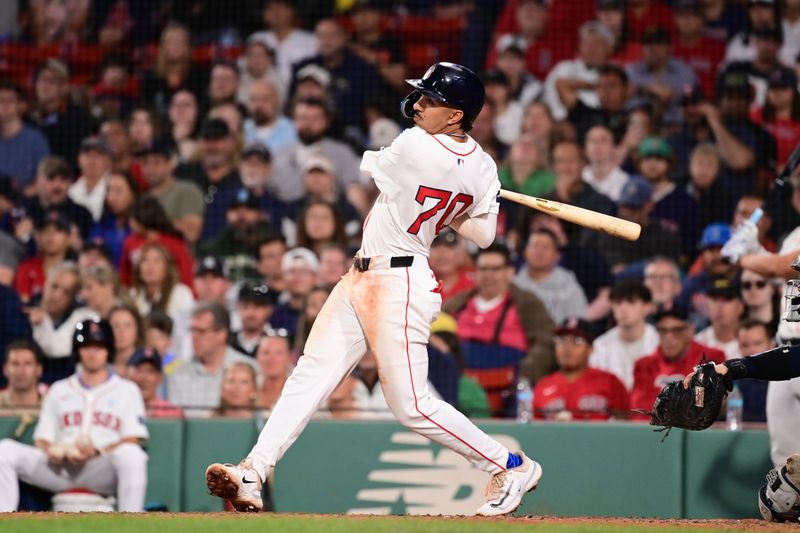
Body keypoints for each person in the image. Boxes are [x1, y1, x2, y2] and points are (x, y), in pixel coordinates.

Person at [205, 63, 543, 516]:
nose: (418, 104)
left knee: (412, 407)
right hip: (363, 275)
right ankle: (254, 470)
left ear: (457, 115)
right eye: (421, 96)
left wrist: (454, 195)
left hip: (399, 282)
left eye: (430, 99)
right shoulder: (483, 167)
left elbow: (375, 169)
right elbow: (482, 236)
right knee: (310, 374)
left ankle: (511, 464)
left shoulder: (412, 145)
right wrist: (473, 198)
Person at [0, 318, 149, 512]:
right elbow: (42, 439)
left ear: (108, 350)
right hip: (60, 469)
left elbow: (133, 438)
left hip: (100, 467)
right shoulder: (59, 389)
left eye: (99, 346)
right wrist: (55, 451)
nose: (92, 353)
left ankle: (133, 521)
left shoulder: (127, 390)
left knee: (132, 454)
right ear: (78, 350)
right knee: (5, 450)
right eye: (86, 346)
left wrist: (98, 451)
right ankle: (4, 518)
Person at [445, 243, 556, 416]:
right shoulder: (456, 304)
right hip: (458, 387)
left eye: (495, 269)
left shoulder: (527, 303)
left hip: (509, 390)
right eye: (483, 269)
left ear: (510, 272)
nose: (488, 275)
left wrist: (525, 374)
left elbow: (545, 341)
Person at [629, 302, 725, 417]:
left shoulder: (711, 359)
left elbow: (708, 405)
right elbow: (639, 408)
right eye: (663, 331)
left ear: (690, 330)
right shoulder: (644, 365)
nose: (669, 338)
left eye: (676, 330)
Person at [168, 302, 260, 412]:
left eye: (201, 331)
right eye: (192, 330)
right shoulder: (178, 373)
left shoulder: (250, 369)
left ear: (222, 334)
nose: (194, 337)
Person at [534, 318, 629, 421]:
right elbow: (536, 431)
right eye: (561, 340)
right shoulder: (543, 386)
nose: (567, 347)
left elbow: (626, 424)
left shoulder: (610, 382)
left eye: (577, 341)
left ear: (591, 349)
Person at [28, 262, 96, 382]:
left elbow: (57, 350)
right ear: (45, 283)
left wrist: (43, 324)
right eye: (54, 286)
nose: (57, 295)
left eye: (66, 292)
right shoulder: (23, 312)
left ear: (73, 298)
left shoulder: (80, 319)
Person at [590, 280, 659, 391]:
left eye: (631, 302)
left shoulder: (660, 342)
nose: (623, 308)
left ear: (647, 307)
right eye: (618, 303)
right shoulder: (600, 345)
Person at [514, 229, 588, 324]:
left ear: (557, 256)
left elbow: (577, 321)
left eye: (545, 247)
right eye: (535, 246)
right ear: (524, 252)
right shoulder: (513, 285)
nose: (539, 251)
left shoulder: (568, 286)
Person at [137, 141, 205, 245]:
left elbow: (192, 233)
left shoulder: (187, 190)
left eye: (157, 162)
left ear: (170, 164)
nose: (150, 169)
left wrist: (153, 224)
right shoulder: (141, 198)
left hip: (179, 258)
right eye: (145, 163)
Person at [0, 79, 50, 192]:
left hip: (27, 204)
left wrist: (20, 203)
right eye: (1, 100)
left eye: (10, 100)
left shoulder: (36, 141)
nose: (5, 105)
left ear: (19, 105)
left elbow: (47, 178)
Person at [130, 242, 195, 325]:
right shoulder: (132, 295)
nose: (150, 266)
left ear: (167, 268)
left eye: (157, 261)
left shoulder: (180, 294)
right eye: (145, 260)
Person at [694, 277, 745, 360]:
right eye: (714, 299)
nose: (719, 306)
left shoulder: (753, 342)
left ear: (741, 306)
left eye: (727, 299)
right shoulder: (698, 343)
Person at [126, 347, 183, 419]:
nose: (144, 377)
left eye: (150, 371)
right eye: (139, 370)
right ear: (128, 375)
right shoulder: (119, 409)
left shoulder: (172, 413)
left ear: (160, 378)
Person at [244, 80, 298, 154]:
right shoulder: (242, 130)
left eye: (265, 99)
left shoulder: (293, 131)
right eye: (254, 99)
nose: (259, 105)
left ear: (277, 101)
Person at [69, 136, 113, 223]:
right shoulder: (71, 191)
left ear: (108, 160)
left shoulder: (113, 187)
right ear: (79, 160)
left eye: (97, 155)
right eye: (87, 155)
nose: (92, 160)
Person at [230, 282, 278, 357]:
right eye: (245, 306)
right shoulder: (227, 340)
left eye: (257, 306)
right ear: (238, 307)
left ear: (269, 309)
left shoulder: (278, 342)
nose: (250, 313)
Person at [0, 340, 44, 416]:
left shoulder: (53, 404)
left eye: (28, 363)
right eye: (15, 364)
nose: (21, 371)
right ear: (5, 369)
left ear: (38, 369)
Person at [255, 334, 294, 410]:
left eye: (278, 353)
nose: (271, 360)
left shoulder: (300, 387)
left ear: (288, 357)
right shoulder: (248, 385)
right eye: (266, 352)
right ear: (257, 356)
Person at [108, 304, 145, 375]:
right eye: (115, 326)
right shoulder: (100, 366)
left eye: (127, 326)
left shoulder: (150, 365)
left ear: (138, 332)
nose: (121, 331)